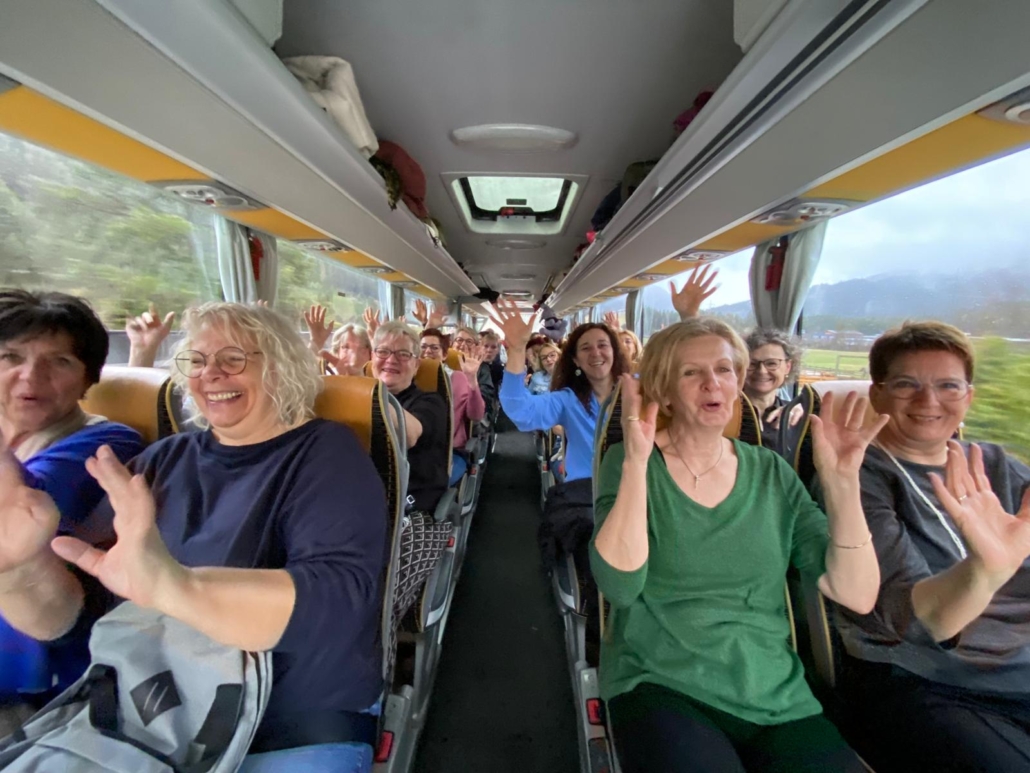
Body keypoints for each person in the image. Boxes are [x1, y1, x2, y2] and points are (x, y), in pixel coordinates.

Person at [0, 302, 388, 770]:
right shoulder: (161, 460)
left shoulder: (326, 451)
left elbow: (337, 603)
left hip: (283, 721)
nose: (211, 374)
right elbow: (79, 617)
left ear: (282, 366)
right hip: (148, 711)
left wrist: (173, 587)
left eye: (233, 358)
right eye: (197, 361)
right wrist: (19, 570)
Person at [592, 317, 885, 773]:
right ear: (665, 393)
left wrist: (842, 484)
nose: (713, 383)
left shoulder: (772, 472)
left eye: (724, 370)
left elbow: (857, 594)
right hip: (661, 681)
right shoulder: (630, 462)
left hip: (774, 691)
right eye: (691, 372)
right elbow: (620, 588)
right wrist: (635, 462)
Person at [825, 321, 1030, 773]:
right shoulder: (857, 475)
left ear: (969, 396)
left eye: (948, 386)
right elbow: (914, 623)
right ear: (877, 395)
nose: (929, 401)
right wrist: (984, 571)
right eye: (906, 385)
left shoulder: (999, 465)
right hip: (929, 679)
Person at [0, 290, 144, 732]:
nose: (31, 376)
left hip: (39, 694)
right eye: (10, 357)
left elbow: (24, 505)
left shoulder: (107, 443)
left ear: (87, 381)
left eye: (59, 362)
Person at [490, 297, 630, 574]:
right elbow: (520, 410)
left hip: (638, 484)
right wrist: (516, 350)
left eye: (603, 345)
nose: (596, 353)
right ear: (576, 360)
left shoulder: (638, 390)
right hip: (588, 491)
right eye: (586, 348)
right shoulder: (568, 399)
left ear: (614, 351)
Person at [372, 321, 449, 513]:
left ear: (416, 365)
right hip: (367, 495)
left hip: (412, 501)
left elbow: (408, 436)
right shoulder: (355, 402)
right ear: (372, 358)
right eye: (383, 352)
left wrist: (367, 390)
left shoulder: (431, 402)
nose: (391, 360)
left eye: (403, 354)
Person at [743, 328, 818, 484]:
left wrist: (805, 413)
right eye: (752, 364)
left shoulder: (800, 416)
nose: (761, 371)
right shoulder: (723, 412)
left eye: (772, 363)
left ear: (788, 367)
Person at [419, 328, 485, 487]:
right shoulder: (408, 378)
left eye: (434, 348)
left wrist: (472, 380)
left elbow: (476, 415)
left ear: (444, 355)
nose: (427, 351)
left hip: (449, 451)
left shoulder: (457, 378)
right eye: (423, 347)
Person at [303, 304, 372, 376]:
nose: (354, 355)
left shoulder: (377, 378)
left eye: (362, 348)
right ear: (336, 352)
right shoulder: (326, 377)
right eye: (346, 347)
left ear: (370, 354)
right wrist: (316, 341)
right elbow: (302, 375)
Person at [453, 325, 497, 404]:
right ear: (453, 343)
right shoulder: (443, 364)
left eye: (469, 341)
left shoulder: (482, 368)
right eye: (459, 340)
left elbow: (486, 397)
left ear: (476, 347)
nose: (463, 344)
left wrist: (471, 379)